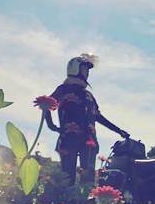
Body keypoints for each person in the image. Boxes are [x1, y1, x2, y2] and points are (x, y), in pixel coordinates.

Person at [45, 53, 129, 185]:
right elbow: (47, 104)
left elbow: (98, 116)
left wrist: (118, 130)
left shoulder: (88, 95)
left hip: (88, 141)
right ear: (75, 69)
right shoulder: (63, 90)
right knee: (67, 177)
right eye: (85, 69)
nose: (87, 73)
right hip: (68, 139)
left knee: (88, 178)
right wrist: (52, 126)